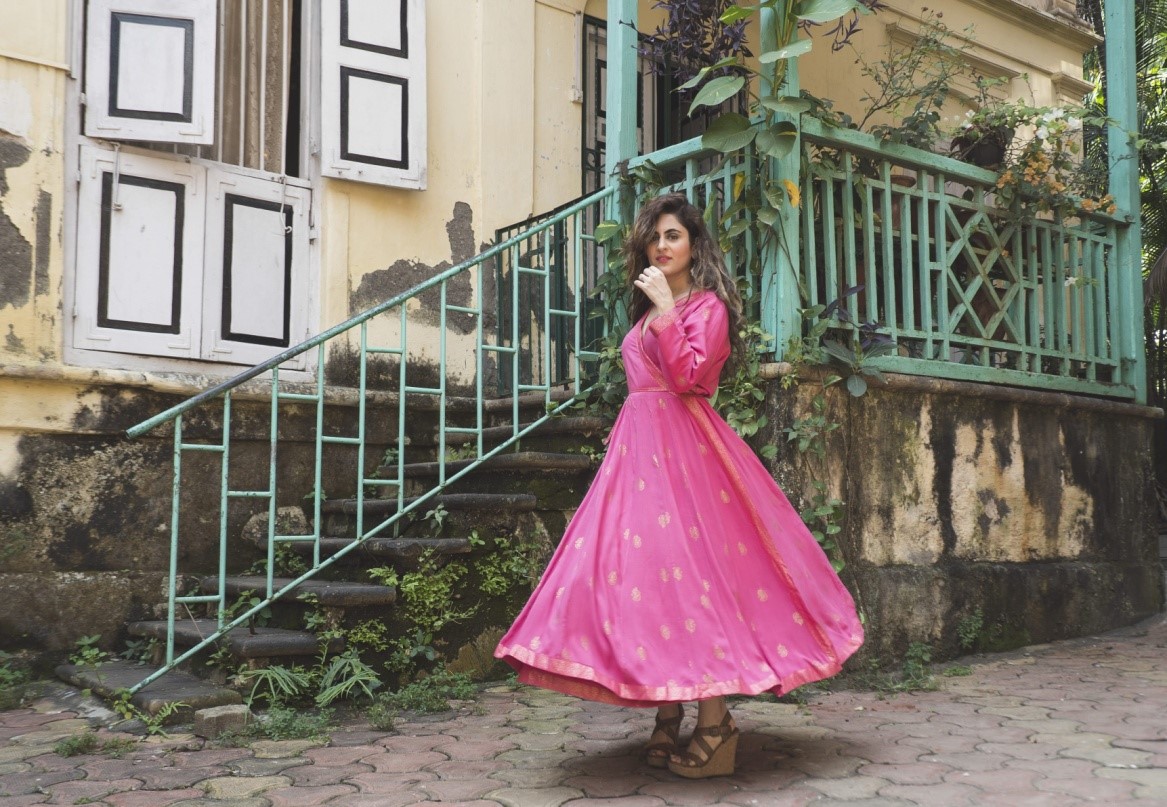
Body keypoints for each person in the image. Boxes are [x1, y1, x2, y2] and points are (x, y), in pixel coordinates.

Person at [495, 193, 864, 779]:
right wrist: (658, 311)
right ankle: (667, 713)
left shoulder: (706, 307)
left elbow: (691, 377)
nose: (662, 247)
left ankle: (716, 728)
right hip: (638, 455)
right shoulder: (649, 312)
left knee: (695, 580)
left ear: (694, 244)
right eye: (654, 238)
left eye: (673, 236)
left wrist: (667, 308)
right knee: (647, 581)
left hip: (686, 454)